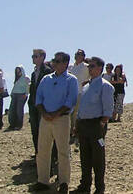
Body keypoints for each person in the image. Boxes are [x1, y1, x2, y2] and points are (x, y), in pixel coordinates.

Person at [32, 52, 79, 193]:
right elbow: (38, 98)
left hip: (62, 119)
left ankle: (64, 181)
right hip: (45, 119)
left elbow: (71, 100)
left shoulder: (71, 80)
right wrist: (45, 113)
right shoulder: (46, 79)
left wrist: (56, 114)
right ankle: (43, 180)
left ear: (65, 63)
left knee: (63, 151)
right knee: (42, 150)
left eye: (57, 61)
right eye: (54, 60)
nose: (54, 63)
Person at [73, 56, 114, 194]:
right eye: (89, 66)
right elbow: (82, 107)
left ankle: (99, 188)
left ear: (99, 68)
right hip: (84, 125)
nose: (89, 68)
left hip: (96, 125)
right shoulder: (86, 86)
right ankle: (84, 185)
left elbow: (108, 108)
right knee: (84, 157)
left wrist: (102, 123)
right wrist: (77, 124)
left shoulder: (105, 86)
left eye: (92, 66)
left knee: (98, 159)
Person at [29, 49, 54, 155]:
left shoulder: (47, 71)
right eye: (33, 56)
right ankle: (38, 152)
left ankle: (48, 154)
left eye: (35, 56)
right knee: (35, 130)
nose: (33, 58)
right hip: (34, 104)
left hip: (43, 106)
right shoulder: (34, 73)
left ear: (42, 57)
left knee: (44, 131)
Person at [69, 49, 90, 143]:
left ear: (83, 56)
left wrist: (88, 82)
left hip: (81, 93)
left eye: (79, 54)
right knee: (70, 114)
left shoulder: (86, 67)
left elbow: (93, 76)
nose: (77, 56)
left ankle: (76, 133)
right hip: (70, 93)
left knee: (76, 114)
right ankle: (70, 132)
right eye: (76, 54)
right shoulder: (71, 67)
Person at [8, 65, 30, 130]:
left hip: (21, 95)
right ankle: (12, 124)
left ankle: (19, 124)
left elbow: (28, 86)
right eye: (17, 71)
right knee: (12, 110)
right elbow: (15, 87)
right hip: (15, 95)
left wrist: (26, 94)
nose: (18, 73)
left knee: (19, 110)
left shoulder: (26, 78)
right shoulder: (17, 79)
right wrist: (12, 93)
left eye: (19, 71)